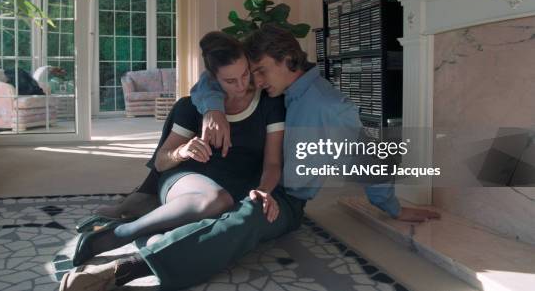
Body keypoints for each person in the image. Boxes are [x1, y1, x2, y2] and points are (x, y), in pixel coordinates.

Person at [60, 24, 440, 291]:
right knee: (216, 200)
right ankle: (132, 215)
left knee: (243, 222)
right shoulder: (275, 90)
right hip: (247, 180)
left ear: (289, 58)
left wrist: (390, 206)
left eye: (259, 71)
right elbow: (211, 79)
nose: (252, 83)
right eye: (250, 73)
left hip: (287, 198)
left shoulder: (329, 106)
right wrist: (213, 109)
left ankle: (126, 268)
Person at [61, 31, 286, 288]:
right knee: (216, 200)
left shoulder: (270, 104)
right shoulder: (193, 107)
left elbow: (272, 163)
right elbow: (161, 162)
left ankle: (140, 227)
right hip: (188, 178)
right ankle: (119, 234)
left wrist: (264, 190)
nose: (241, 84)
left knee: (224, 212)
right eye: (230, 80)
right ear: (213, 79)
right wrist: (184, 151)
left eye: (245, 73)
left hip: (235, 183)